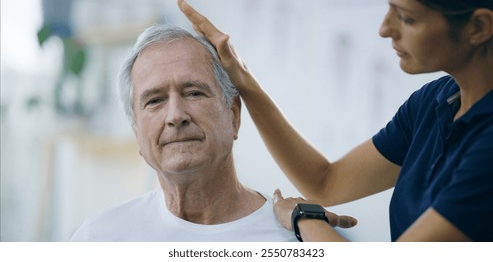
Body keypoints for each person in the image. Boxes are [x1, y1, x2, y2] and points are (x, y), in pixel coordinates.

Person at [178, 0, 493, 242]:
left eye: (407, 18)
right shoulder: (433, 102)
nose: (384, 29)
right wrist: (243, 79)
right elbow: (325, 181)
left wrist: (305, 218)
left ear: (478, 26)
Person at [70, 24, 355, 241]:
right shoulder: (98, 238)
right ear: (137, 135)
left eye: (194, 93)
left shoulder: (301, 238)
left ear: (233, 115)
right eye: (154, 100)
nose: (176, 116)